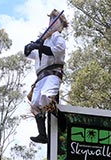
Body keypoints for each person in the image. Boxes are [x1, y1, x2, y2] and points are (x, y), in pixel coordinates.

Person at [24, 9, 68, 143]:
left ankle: (62, 120)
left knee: (47, 98)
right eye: (51, 19)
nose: (52, 22)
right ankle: (42, 135)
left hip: (52, 74)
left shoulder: (57, 37)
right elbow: (30, 54)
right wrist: (29, 47)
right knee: (34, 105)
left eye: (56, 20)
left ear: (61, 25)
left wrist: (39, 46)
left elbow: (57, 51)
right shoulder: (44, 41)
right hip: (40, 77)